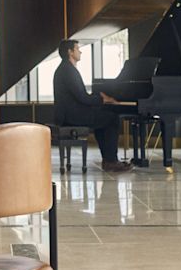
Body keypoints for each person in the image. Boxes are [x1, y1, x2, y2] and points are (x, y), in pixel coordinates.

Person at [52, 39, 131, 172]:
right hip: (72, 116)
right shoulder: (68, 71)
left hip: (69, 114)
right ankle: (111, 161)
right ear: (70, 52)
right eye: (77, 49)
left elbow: (81, 96)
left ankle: (108, 160)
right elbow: (83, 98)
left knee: (102, 119)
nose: (80, 52)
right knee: (112, 119)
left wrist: (99, 100)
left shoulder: (65, 69)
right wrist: (103, 100)